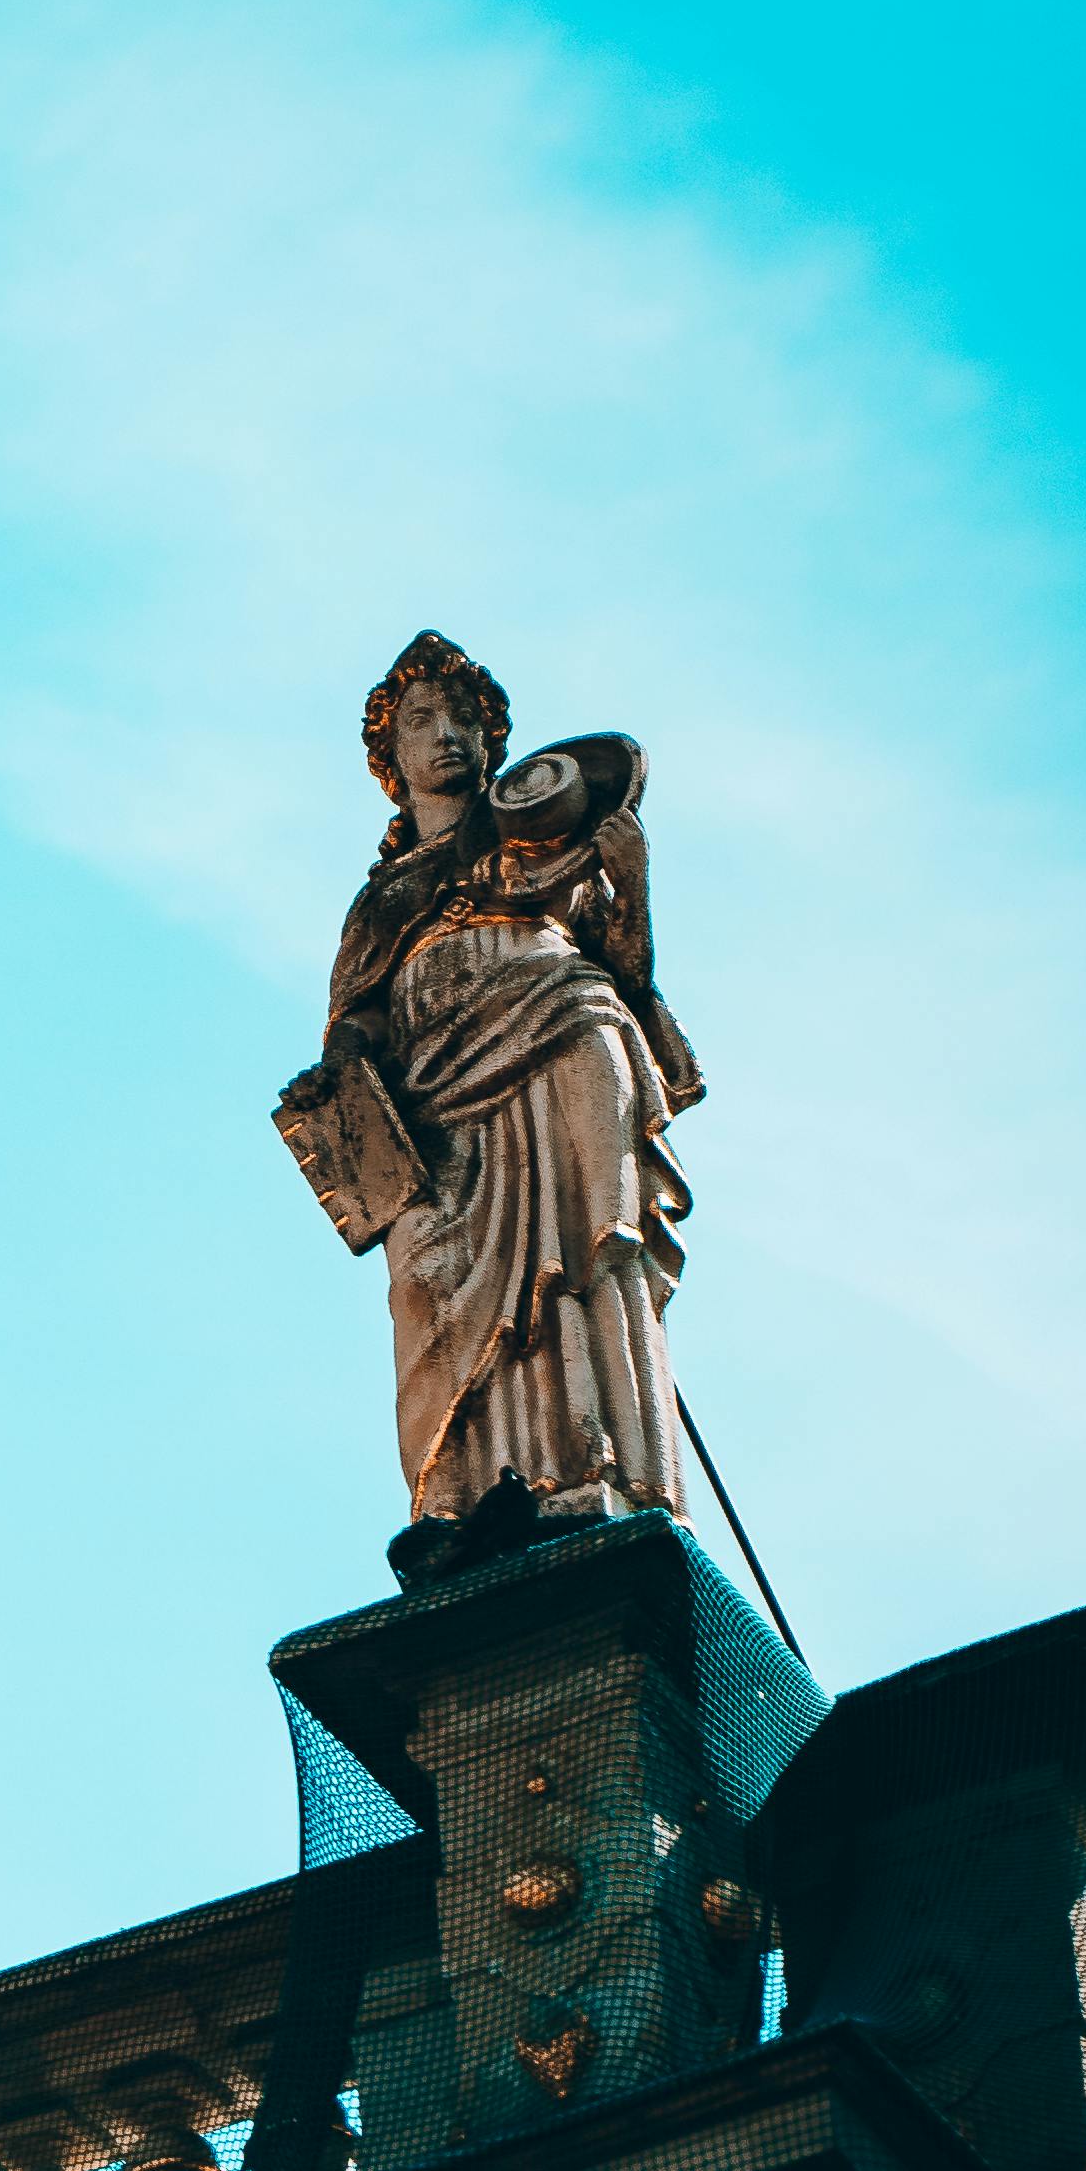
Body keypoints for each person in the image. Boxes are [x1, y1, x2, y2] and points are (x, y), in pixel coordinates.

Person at [318, 629, 700, 1557]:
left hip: (564, 1029)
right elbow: (356, 1017)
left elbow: (628, 975)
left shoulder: (545, 844)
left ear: (494, 745)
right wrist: (342, 1072)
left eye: (464, 719)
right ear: (391, 757)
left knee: (584, 1251)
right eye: (421, 721)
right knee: (427, 1278)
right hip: (433, 1093)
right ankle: (453, 1500)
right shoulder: (382, 900)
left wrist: (632, 882)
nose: (446, 735)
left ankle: (596, 1471)